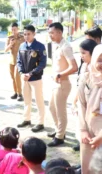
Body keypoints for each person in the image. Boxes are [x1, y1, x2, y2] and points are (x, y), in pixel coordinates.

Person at [47, 22, 78, 147]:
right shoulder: (56, 45)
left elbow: (74, 67)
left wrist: (60, 75)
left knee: (60, 111)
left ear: (60, 32)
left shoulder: (66, 47)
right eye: (49, 33)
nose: (50, 35)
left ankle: (60, 137)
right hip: (56, 82)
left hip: (62, 83)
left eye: (52, 33)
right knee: (51, 107)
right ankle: (59, 131)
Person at [17, 25, 47, 133]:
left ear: (34, 34)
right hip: (24, 78)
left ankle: (40, 122)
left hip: (36, 78)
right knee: (27, 100)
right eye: (24, 34)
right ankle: (27, 119)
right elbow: (18, 61)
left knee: (39, 101)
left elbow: (43, 63)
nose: (26, 36)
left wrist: (31, 73)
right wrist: (21, 73)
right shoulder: (22, 46)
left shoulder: (40, 46)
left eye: (28, 34)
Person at [78, 45, 102, 173]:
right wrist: (83, 130)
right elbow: (81, 105)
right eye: (99, 59)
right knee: (87, 168)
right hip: (88, 134)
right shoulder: (87, 78)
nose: (101, 64)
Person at [71, 39, 97, 152]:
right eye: (80, 52)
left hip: (93, 111)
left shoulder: (97, 70)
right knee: (82, 133)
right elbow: (80, 86)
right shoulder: (84, 66)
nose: (81, 56)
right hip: (83, 105)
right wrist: (75, 101)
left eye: (83, 53)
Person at [5, 22, 25, 101]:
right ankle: (15, 92)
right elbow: (5, 50)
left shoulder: (22, 37)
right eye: (12, 29)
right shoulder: (9, 38)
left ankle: (20, 94)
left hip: (20, 60)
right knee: (13, 78)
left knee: (17, 77)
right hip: (12, 60)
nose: (13, 31)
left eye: (15, 29)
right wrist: (10, 44)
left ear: (18, 29)